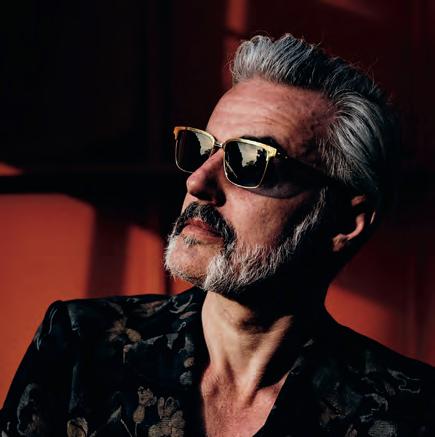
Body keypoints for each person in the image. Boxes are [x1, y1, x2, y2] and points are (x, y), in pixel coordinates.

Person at [1, 34, 434, 437]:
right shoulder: (81, 345)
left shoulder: (411, 412)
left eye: (248, 162)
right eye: (201, 149)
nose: (197, 183)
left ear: (346, 223)